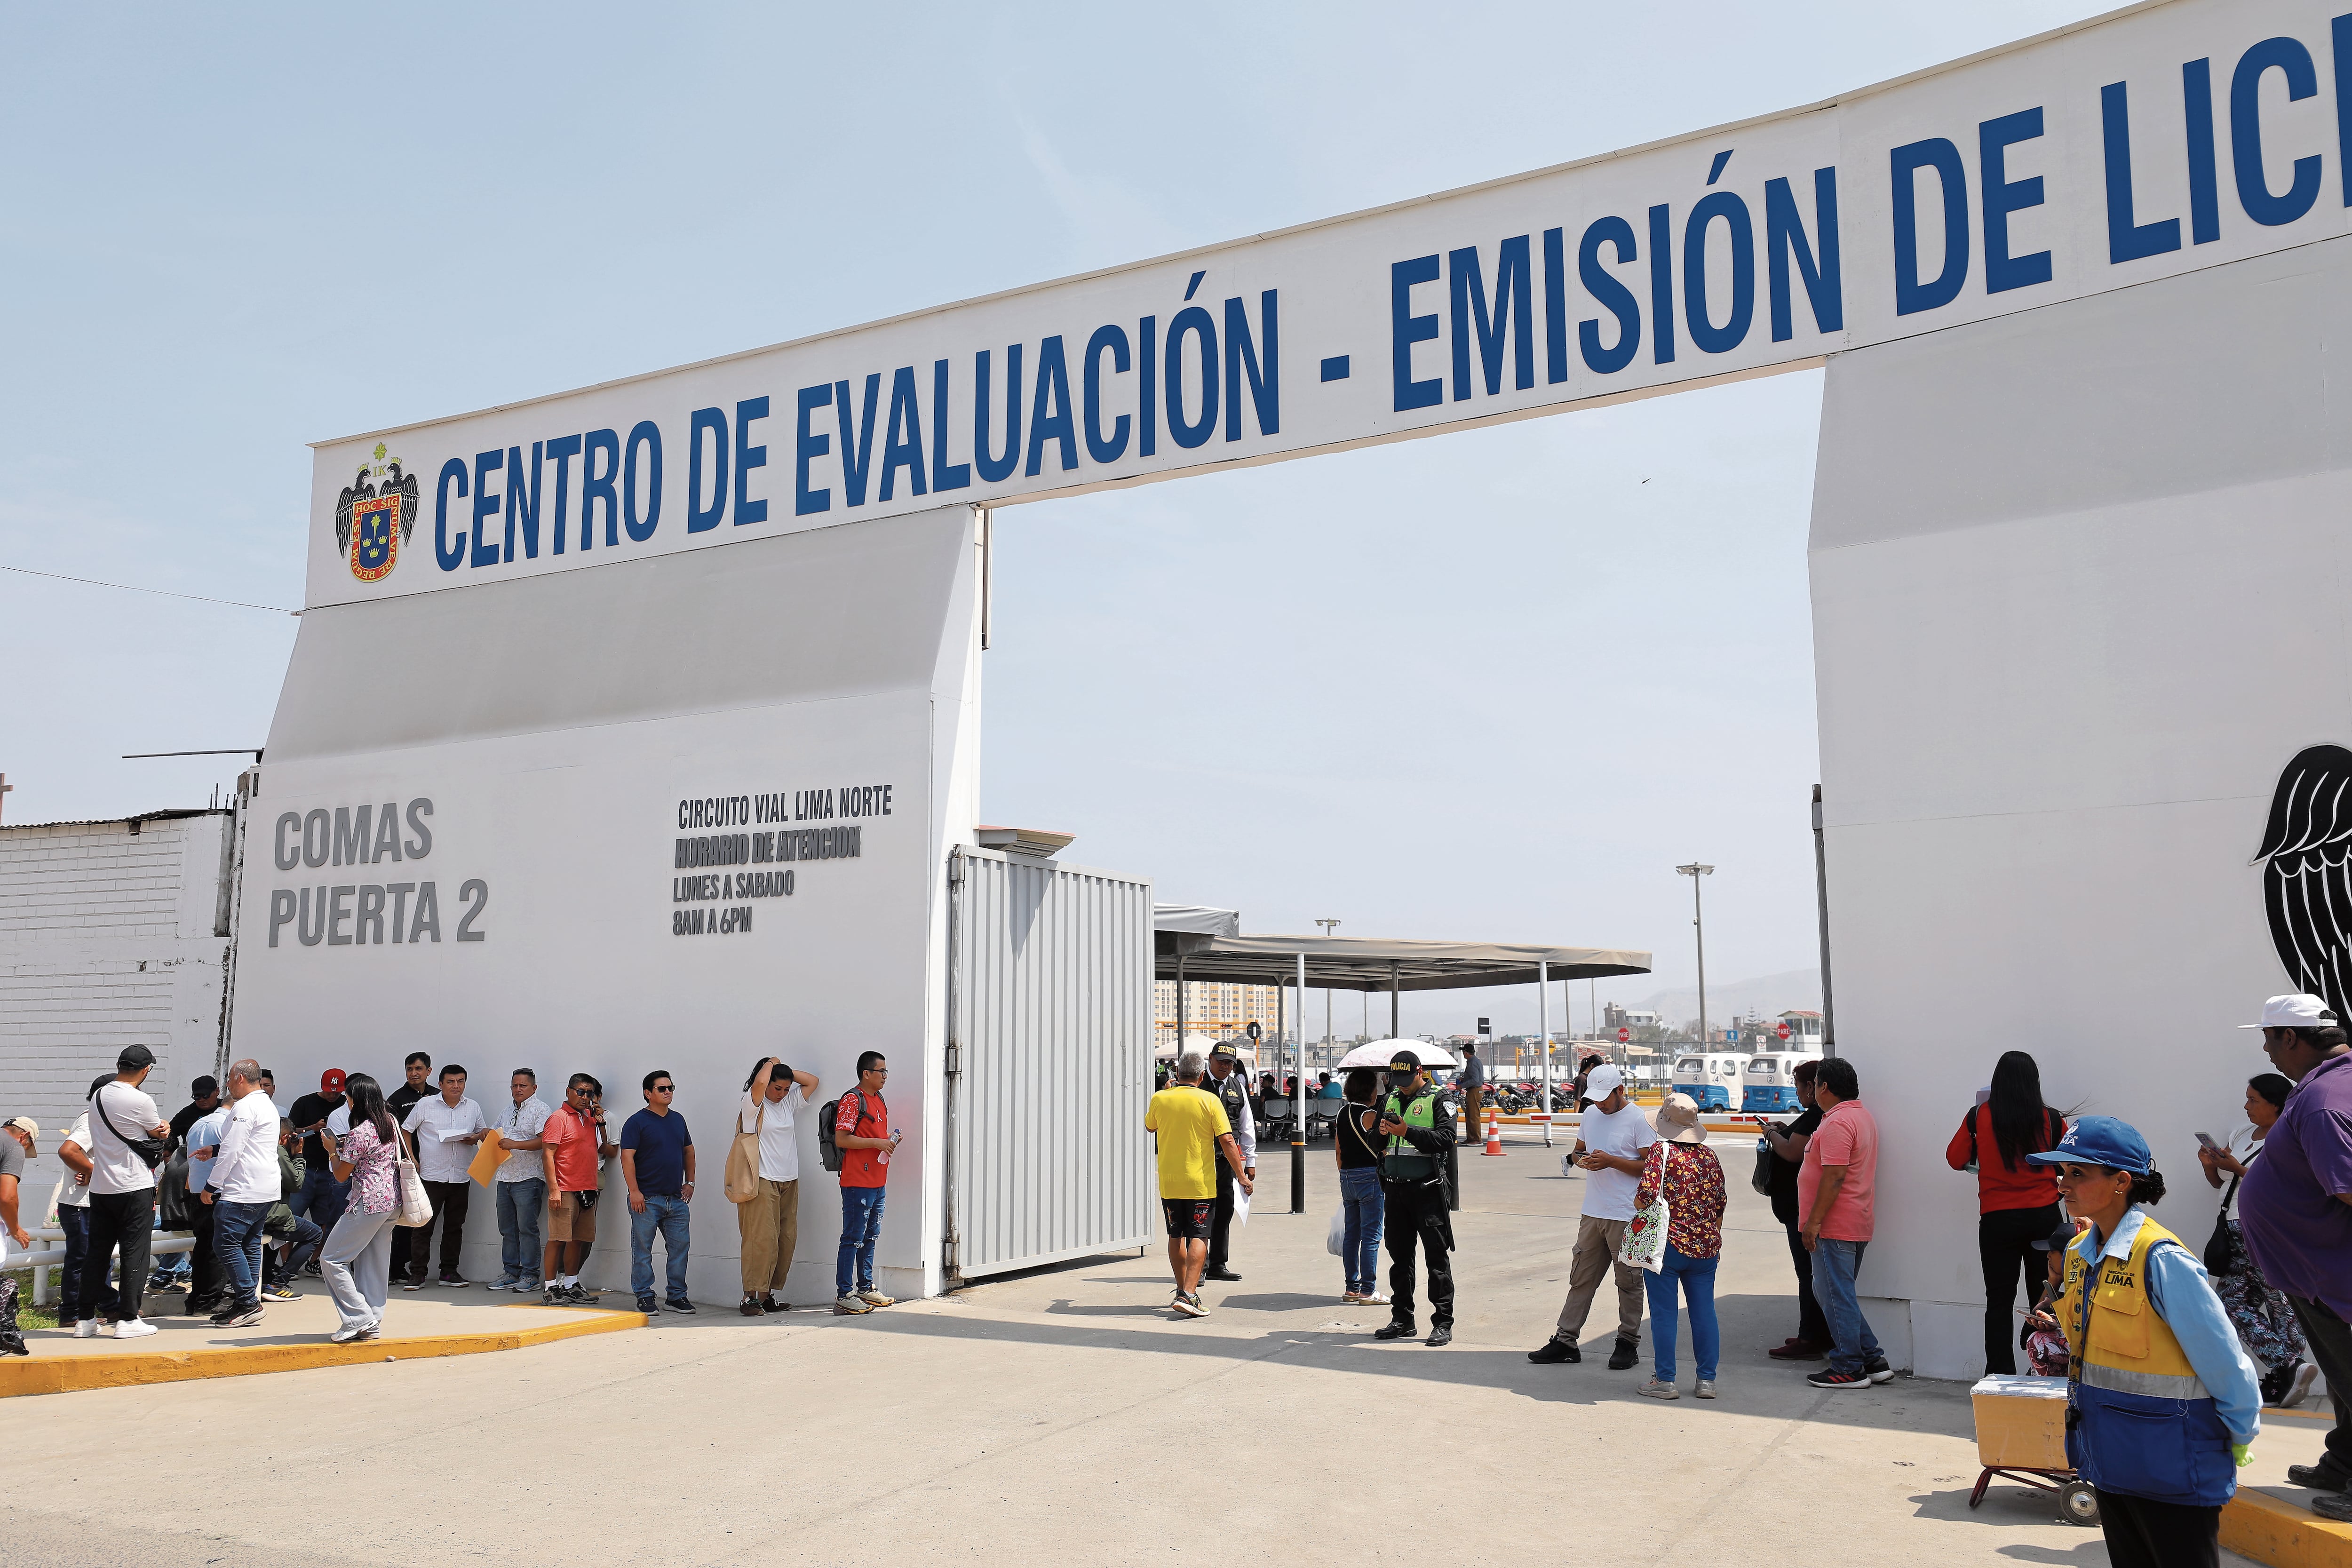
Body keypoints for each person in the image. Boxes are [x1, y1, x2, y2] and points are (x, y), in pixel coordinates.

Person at [2029, 1116, 2262, 1568]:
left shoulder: (2163, 1258)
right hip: (2109, 1457)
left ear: (2121, 1182)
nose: (2063, 1184)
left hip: (2171, 1463)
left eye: (2078, 1172)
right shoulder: (2079, 1255)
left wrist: (2241, 1428)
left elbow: (2223, 1359)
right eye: (2062, 1172)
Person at [2236, 994, 2352, 1520]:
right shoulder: (2327, 1087)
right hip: (2315, 1269)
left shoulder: (2324, 1098)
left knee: (2350, 1375)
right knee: (2339, 1374)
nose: (2266, 1051)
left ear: (2290, 1037)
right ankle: (2343, 1463)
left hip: (2330, 1272)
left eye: (2267, 1038)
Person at [1945, 1050, 2069, 1376]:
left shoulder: (1979, 1116)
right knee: (2046, 1296)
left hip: (1998, 1220)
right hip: (2044, 1217)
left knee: (1999, 1301)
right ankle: (2045, 1366)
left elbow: (1954, 1158)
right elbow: (2069, 1163)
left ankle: (1999, 1374)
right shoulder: (2052, 1118)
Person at [2199, 1072, 2314, 1409]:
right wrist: (2211, 1165)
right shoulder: (2242, 1133)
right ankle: (2290, 1367)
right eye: (2247, 1098)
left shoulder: (2289, 1136)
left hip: (2266, 1225)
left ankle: (2287, 1370)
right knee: (2231, 1305)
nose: (2247, 1106)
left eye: (2255, 1100)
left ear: (2277, 1105)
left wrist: (2237, 1167)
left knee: (2278, 1300)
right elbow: (2221, 1183)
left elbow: (2286, 1185)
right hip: (2235, 1225)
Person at [1529, 1063, 1653, 1368]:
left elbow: (1651, 1167)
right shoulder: (1591, 1114)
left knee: (1628, 1282)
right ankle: (1566, 1340)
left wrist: (1612, 1161)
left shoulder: (1639, 1119)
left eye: (1604, 1098)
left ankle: (1627, 1342)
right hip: (1593, 1211)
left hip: (1627, 1213)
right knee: (1581, 1278)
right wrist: (1580, 1159)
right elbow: (1578, 1151)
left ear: (1620, 1091)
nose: (1599, 1104)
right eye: (1594, 1098)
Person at [1799, 1057, 1891, 1390]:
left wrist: (1814, 1222)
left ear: (1824, 1087)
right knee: (1836, 1292)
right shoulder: (1859, 1116)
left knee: (1835, 1294)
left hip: (1835, 1225)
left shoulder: (1838, 1122)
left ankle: (1850, 1366)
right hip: (1853, 1220)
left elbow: (1835, 1176)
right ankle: (1872, 1357)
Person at [1635, 1093, 1728, 1400]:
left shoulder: (1661, 1152)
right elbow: (1719, 1204)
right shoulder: (1710, 1156)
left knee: (1664, 1313)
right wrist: (1712, 1235)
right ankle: (1707, 1381)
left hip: (1668, 1245)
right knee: (1704, 1312)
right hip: (1705, 1249)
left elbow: (1644, 1197)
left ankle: (1665, 1379)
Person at [75, 1044, 170, 1339]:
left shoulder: (100, 1095)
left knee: (97, 1254)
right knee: (135, 1253)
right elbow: (158, 1132)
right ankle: (128, 1320)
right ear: (146, 1070)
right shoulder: (143, 1100)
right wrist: (162, 1128)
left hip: (101, 1187)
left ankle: (85, 1321)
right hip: (134, 1185)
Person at [1143, 1051, 1248, 1318]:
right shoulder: (1210, 1100)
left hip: (1170, 1181)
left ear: (1178, 1074)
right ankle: (1189, 1294)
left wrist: (1167, 1091)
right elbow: (1227, 1140)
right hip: (1200, 1182)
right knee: (1200, 1235)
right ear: (1201, 1076)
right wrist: (1242, 1175)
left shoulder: (1160, 1098)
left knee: (1175, 1235)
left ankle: (1182, 1289)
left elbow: (1150, 1127)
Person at [1373, 1048, 1457, 1347]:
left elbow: (1446, 1140)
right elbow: (1377, 1141)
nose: (1403, 1083)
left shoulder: (1439, 1098)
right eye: (1397, 1078)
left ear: (1420, 1071)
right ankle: (1402, 1319)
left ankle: (1443, 1322)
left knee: (1436, 1259)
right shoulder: (1391, 1098)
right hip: (1396, 1190)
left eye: (1408, 1078)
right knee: (1400, 1259)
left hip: (1427, 1190)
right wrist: (1382, 1132)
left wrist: (1407, 1131)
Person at [318, 1072, 403, 1344]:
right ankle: (372, 1321)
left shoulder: (360, 1132)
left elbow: (341, 1175)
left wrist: (332, 1150)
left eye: (348, 1096)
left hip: (367, 1202)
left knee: (331, 1259)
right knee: (374, 1263)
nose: (346, 1099)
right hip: (391, 1202)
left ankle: (358, 1317)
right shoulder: (389, 1122)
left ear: (357, 1100)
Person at [195, 1059, 280, 1328]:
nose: (227, 1086)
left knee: (225, 1243)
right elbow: (247, 1143)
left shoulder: (244, 1106)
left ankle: (247, 1302)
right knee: (251, 1243)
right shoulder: (267, 1103)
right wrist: (216, 1148)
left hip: (243, 1189)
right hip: (265, 1188)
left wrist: (211, 1185)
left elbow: (235, 1148)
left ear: (241, 1078)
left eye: (230, 1080)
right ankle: (246, 1299)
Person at [732, 1056, 815, 1316]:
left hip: (789, 1179)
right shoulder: (752, 1105)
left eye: (786, 1089)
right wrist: (771, 1061)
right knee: (761, 1240)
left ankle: (768, 1296)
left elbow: (812, 1081)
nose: (781, 1094)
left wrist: (786, 1070)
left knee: (785, 1238)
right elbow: (758, 1082)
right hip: (762, 1179)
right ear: (767, 1083)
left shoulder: (788, 1102)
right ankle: (749, 1297)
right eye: (777, 1088)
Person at [395, 1064, 487, 1289]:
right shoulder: (426, 1104)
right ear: (440, 1084)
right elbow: (405, 1130)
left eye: (461, 1082)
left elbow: (483, 1133)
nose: (456, 1086)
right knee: (422, 1226)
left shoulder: (473, 1107)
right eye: (451, 1082)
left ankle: (449, 1272)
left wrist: (475, 1137)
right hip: (431, 1175)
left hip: (460, 1177)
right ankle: (417, 1274)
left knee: (455, 1227)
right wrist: (412, 1159)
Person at [1760, 1058, 1828, 1361]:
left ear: (1811, 1088)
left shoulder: (1816, 1115)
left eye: (1799, 1087)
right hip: (1797, 1207)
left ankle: (1810, 1339)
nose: (1798, 1093)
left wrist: (1771, 1134)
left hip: (1802, 1210)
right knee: (1811, 1274)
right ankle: (1815, 1333)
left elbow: (1791, 1152)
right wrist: (1785, 1129)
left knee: (1807, 1274)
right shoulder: (1814, 1116)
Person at [622, 1068, 696, 1315]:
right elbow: (627, 1158)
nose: (668, 1092)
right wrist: (634, 1191)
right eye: (662, 1089)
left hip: (676, 1199)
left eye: (671, 1088)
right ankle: (644, 1296)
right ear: (648, 1093)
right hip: (647, 1199)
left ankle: (676, 1297)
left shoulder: (678, 1119)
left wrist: (691, 1182)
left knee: (680, 1249)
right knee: (643, 1250)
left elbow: (689, 1151)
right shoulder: (636, 1122)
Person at [541, 1073, 617, 1305]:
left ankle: (571, 1283)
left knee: (578, 1240)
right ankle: (550, 1288)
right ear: (569, 1092)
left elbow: (604, 1147)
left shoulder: (589, 1118)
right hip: (565, 1188)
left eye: (589, 1094)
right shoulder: (558, 1118)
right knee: (558, 1239)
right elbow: (548, 1154)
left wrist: (600, 1122)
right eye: (580, 1092)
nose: (585, 1097)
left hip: (588, 1187)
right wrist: (554, 1190)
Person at [834, 1051, 901, 1315]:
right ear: (866, 1074)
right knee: (852, 1238)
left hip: (878, 1181)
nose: (885, 1076)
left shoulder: (879, 1099)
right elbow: (842, 1139)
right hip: (857, 1182)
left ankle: (865, 1287)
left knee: (870, 1236)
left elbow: (875, 1136)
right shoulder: (853, 1099)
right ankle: (844, 1294)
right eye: (881, 1071)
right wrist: (877, 1142)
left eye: (886, 1071)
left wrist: (888, 1141)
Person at [52, 1075, 115, 1331]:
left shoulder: (99, 1119)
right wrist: (92, 1170)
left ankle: (109, 1305)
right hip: (80, 1205)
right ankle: (71, 1313)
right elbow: (69, 1151)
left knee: (98, 1259)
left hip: (90, 1202)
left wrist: (92, 1170)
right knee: (82, 1260)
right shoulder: (91, 1120)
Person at [153, 1075, 219, 1291]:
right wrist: (169, 1154)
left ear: (217, 1092)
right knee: (175, 1170)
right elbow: (170, 1135)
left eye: (205, 1096)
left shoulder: (226, 1113)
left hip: (221, 1167)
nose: (201, 1100)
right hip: (193, 1166)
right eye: (197, 1097)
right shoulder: (188, 1113)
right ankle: (176, 1220)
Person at [489, 1068, 552, 1293]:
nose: (518, 1090)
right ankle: (511, 1272)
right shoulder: (507, 1111)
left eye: (523, 1086)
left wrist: (513, 1144)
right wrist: (484, 1135)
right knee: (507, 1229)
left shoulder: (541, 1109)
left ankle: (530, 1275)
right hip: (505, 1177)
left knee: (527, 1228)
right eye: (515, 1086)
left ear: (534, 1088)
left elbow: (545, 1141)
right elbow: (498, 1136)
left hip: (529, 1178)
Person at [1200, 1041, 1256, 1283]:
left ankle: (1217, 1264)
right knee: (1201, 1212)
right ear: (1210, 1059)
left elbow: (1247, 1126)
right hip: (1200, 1158)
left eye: (1230, 1063)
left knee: (1224, 1210)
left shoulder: (1237, 1087)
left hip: (1226, 1160)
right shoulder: (1196, 1084)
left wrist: (1250, 1160)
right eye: (1221, 1061)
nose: (1225, 1066)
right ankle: (1199, 1267)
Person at [179, 1091, 234, 1319]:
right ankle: (208, 1299)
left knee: (202, 1247)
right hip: (215, 1191)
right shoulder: (227, 1125)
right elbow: (228, 1159)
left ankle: (196, 1299)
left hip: (197, 1191)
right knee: (215, 1249)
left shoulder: (199, 1123)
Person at [1332, 1067, 1386, 1304]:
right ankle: (1368, 1290)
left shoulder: (1341, 1113)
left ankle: (1351, 1288)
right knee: (1371, 1235)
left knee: (1352, 1234)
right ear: (1369, 1091)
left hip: (1347, 1176)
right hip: (1369, 1177)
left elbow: (1338, 1150)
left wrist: (1345, 1174)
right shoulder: (1369, 1116)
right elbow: (1382, 1146)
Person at [386, 1052, 433, 1287]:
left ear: (429, 1071)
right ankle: (395, 1267)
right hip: (406, 1167)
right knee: (403, 1220)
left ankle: (411, 1267)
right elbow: (392, 1134)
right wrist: (408, 1159)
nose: (414, 1073)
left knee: (422, 1218)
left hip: (434, 1169)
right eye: (409, 1069)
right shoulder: (396, 1099)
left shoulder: (438, 1095)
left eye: (419, 1069)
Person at [288, 1068, 351, 1239]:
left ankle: (315, 1263)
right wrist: (313, 1128)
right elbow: (290, 1133)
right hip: (305, 1169)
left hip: (331, 1171)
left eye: (337, 1093)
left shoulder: (347, 1106)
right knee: (290, 1220)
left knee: (326, 1222)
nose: (333, 1096)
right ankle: (287, 1264)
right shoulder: (305, 1103)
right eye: (329, 1092)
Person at [0, 1114, 34, 1356]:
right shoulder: (12, 1145)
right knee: (5, 1286)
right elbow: (7, 1197)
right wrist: (15, 1229)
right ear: (24, 1136)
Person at [1460, 1043, 1487, 1145]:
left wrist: (1462, 1085)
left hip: (1475, 1090)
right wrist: (1464, 1079)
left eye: (1464, 1052)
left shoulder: (1473, 1062)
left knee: (1474, 1116)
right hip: (1473, 1090)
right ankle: (1471, 1138)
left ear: (1466, 1053)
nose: (1463, 1054)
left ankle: (1477, 1139)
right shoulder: (1473, 1061)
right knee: (1470, 1114)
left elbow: (1475, 1080)